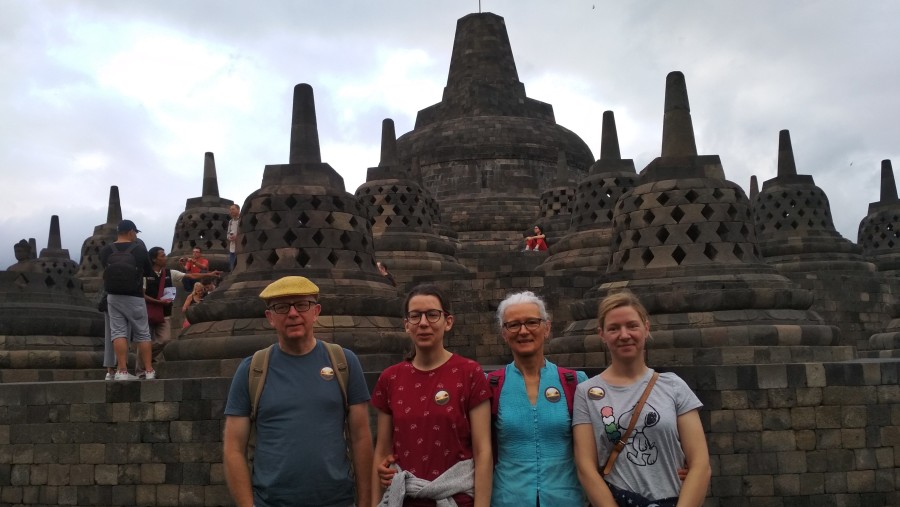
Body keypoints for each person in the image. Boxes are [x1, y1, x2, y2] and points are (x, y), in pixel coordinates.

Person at [223, 276, 373, 507]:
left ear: (316, 311)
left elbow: (361, 438)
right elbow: (233, 448)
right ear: (270, 317)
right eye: (281, 307)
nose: (293, 313)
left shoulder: (344, 362)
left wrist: (366, 503)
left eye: (302, 305)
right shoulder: (252, 369)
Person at [573, 291, 710, 507]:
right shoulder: (587, 392)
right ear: (602, 334)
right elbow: (585, 467)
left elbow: (700, 463)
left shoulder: (673, 385)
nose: (624, 334)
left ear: (646, 328)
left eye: (632, 325)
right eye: (614, 328)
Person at [371, 284, 492, 507]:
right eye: (415, 316)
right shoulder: (390, 378)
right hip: (404, 499)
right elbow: (382, 450)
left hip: (456, 499)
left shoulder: (470, 373)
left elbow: (483, 451)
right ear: (406, 324)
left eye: (432, 315)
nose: (424, 323)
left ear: (448, 322)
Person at [490, 291, 588, 507]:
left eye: (532, 322)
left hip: (566, 499)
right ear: (504, 333)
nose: (523, 331)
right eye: (513, 325)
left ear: (547, 328)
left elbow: (599, 443)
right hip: (507, 499)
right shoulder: (491, 385)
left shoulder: (574, 382)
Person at [139, 246, 222, 376]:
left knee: (165, 340)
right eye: (162, 255)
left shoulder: (169, 273)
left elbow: (191, 275)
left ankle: (146, 357)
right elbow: (141, 294)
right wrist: (158, 302)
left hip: (164, 313)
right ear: (154, 259)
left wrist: (209, 274)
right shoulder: (145, 274)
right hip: (147, 312)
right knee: (145, 340)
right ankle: (141, 370)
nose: (165, 257)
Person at [98, 219, 155, 380]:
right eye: (135, 232)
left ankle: (122, 371)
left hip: (113, 296)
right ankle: (149, 370)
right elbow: (149, 273)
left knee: (118, 333)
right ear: (131, 231)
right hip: (135, 296)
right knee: (143, 333)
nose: (136, 235)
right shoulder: (140, 250)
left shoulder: (106, 250)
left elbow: (106, 270)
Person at [227, 204, 240, 271]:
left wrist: (237, 237)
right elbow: (228, 233)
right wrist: (230, 237)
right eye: (230, 210)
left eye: (233, 209)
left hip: (240, 247)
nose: (231, 211)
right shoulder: (230, 222)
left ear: (238, 210)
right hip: (232, 248)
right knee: (232, 267)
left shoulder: (242, 220)